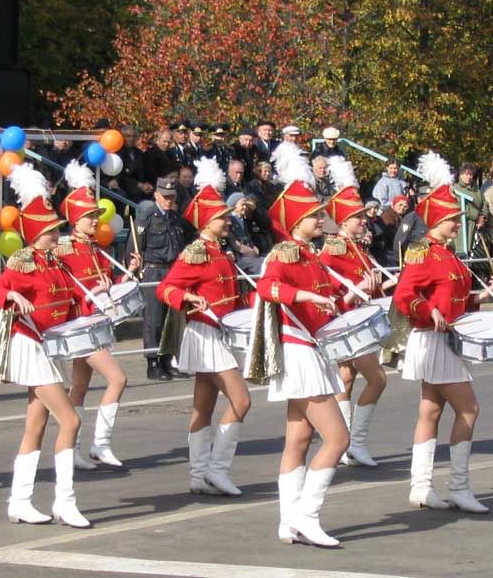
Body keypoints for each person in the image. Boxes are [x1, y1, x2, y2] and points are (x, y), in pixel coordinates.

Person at [253, 141, 364, 547]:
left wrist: (352, 298)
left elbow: (329, 304)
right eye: (315, 214)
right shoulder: (284, 253)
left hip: (310, 348)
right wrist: (307, 297)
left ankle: (287, 521)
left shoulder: (311, 255)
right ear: (297, 220)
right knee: (338, 439)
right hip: (298, 352)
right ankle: (307, 515)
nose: (322, 218)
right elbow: (267, 288)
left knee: (298, 439)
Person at [0, 163, 92, 527]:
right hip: (28, 345)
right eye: (50, 232)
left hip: (50, 346)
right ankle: (65, 500)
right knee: (71, 419)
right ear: (36, 235)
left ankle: (19, 500)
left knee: (36, 425)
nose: (55, 235)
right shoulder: (25, 264)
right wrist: (11, 292)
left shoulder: (56, 264)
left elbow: (75, 299)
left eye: (56, 230)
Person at [393, 151, 493, 514]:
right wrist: (429, 310)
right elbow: (405, 295)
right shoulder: (423, 253)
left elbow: (451, 299)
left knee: (431, 412)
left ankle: (421, 487)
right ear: (437, 219)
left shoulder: (449, 255)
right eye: (453, 218)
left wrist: (479, 297)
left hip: (444, 339)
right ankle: (459, 486)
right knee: (469, 409)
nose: (458, 224)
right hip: (432, 340)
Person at [157, 184, 252, 496]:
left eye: (227, 216)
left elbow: (231, 296)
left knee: (203, 407)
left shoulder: (220, 251)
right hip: (205, 333)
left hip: (220, 332)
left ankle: (198, 476)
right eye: (221, 217)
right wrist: (185, 296)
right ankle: (216, 469)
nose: (227, 221)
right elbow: (166, 288)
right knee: (241, 400)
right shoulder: (196, 252)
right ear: (207, 221)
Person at [55, 161, 142, 470]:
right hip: (81, 327)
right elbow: (60, 286)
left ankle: (75, 449)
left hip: (96, 323)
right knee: (118, 378)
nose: (96, 220)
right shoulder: (63, 251)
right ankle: (100, 444)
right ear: (75, 220)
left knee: (78, 388)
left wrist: (127, 275)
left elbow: (108, 287)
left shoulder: (96, 249)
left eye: (95, 216)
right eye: (90, 216)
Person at [319, 157, 391, 467]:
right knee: (377, 380)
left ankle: (345, 444)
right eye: (358, 217)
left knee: (346, 379)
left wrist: (381, 288)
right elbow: (328, 288)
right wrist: (357, 287)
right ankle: (356, 443)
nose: (364, 220)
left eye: (363, 216)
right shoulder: (334, 248)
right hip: (348, 323)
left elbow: (366, 286)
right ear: (344, 220)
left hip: (360, 318)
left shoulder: (358, 247)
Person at [125, 176, 186, 380]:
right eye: (165, 196)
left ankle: (167, 359)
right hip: (153, 270)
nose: (168, 200)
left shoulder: (175, 218)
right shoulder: (147, 217)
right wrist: (134, 270)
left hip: (173, 271)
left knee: (171, 318)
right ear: (156, 195)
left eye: (172, 196)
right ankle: (153, 362)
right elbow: (133, 247)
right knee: (154, 318)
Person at [142, 129, 178, 196]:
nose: (167, 144)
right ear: (158, 140)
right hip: (156, 189)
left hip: (170, 186)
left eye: (169, 142)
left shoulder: (170, 154)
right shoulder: (151, 154)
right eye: (164, 141)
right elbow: (151, 176)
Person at [117, 124, 146, 202]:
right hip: (123, 186)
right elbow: (121, 175)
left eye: (134, 136)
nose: (131, 139)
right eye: (128, 136)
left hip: (140, 188)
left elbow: (143, 173)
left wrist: (146, 185)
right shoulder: (118, 153)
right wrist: (138, 185)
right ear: (123, 137)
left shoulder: (140, 153)